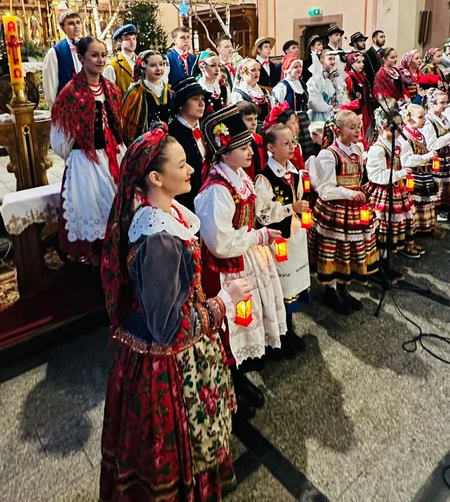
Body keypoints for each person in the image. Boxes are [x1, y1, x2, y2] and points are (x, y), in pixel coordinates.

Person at [100, 126, 250, 501]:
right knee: (178, 452)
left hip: (186, 354)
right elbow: (167, 328)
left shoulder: (170, 217)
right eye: (181, 165)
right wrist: (222, 302)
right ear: (155, 178)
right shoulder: (159, 238)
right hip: (166, 367)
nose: (190, 171)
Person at [195, 106, 287, 411]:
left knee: (247, 318)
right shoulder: (216, 190)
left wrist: (267, 229)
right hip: (225, 268)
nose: (251, 152)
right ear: (224, 153)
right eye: (243, 147)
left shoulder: (239, 177)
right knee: (230, 325)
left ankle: (239, 374)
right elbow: (220, 242)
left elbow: (252, 216)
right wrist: (257, 237)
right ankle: (228, 386)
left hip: (245, 259)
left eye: (249, 146)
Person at [51, 37, 123, 265]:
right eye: (94, 55)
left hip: (114, 155)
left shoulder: (110, 88)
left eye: (103, 54)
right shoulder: (70, 94)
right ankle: (95, 264)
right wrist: (81, 156)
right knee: (94, 212)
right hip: (87, 162)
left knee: (119, 211)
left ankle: (116, 262)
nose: (100, 60)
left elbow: (117, 124)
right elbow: (60, 139)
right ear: (81, 58)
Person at [308, 110, 378, 314]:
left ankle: (343, 288)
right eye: (352, 127)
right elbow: (324, 189)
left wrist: (362, 190)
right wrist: (349, 193)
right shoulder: (328, 154)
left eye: (358, 126)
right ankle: (331, 291)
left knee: (349, 249)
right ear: (338, 130)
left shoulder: (357, 149)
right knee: (334, 249)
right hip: (335, 210)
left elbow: (358, 177)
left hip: (353, 209)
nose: (358, 130)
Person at [255, 124, 311, 357]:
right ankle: (279, 335)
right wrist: (291, 208)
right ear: (270, 147)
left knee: (294, 283)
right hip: (278, 239)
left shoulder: (295, 172)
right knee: (281, 287)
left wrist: (303, 212)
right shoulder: (264, 178)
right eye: (285, 143)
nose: (291, 147)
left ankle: (289, 329)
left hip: (295, 235)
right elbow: (263, 214)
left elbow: (299, 199)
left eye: (293, 142)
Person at [365, 109, 420, 265]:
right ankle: (380, 262)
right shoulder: (378, 149)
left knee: (392, 226)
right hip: (383, 191)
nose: (399, 129)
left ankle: (387, 260)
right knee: (383, 227)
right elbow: (375, 175)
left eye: (400, 125)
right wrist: (400, 173)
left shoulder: (394, 145)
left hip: (396, 189)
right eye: (395, 126)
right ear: (384, 127)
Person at [400, 104, 441, 237]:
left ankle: (426, 227)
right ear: (409, 119)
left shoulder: (419, 134)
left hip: (423, 173)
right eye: (420, 117)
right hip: (414, 176)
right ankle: (412, 233)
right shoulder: (405, 137)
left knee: (425, 202)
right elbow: (406, 160)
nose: (424, 120)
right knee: (414, 204)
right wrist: (427, 156)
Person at [422, 88, 450, 220]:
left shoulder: (443, 118)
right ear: (432, 104)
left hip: (447, 155)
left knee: (446, 184)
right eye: (442, 103)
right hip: (436, 157)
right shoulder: (428, 121)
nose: (445, 105)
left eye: (446, 102)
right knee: (437, 184)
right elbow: (432, 144)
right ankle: (437, 210)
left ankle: (446, 208)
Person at [168, 77, 207, 211]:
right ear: (181, 104)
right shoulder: (172, 134)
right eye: (195, 99)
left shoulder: (207, 129)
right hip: (185, 203)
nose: (201, 103)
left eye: (202, 98)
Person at [121, 50, 171, 144]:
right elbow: (127, 126)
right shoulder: (135, 93)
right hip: (145, 144)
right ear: (143, 68)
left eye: (161, 64)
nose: (158, 68)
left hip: (169, 143)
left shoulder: (170, 91)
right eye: (152, 65)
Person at [272, 54, 313, 159]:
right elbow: (277, 107)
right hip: (290, 121)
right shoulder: (282, 86)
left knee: (307, 149)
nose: (299, 69)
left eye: (300, 66)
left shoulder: (301, 84)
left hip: (304, 119)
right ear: (288, 69)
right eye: (295, 67)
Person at [43, 10, 83, 107]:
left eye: (78, 22)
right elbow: (50, 87)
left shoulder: (90, 47)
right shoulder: (55, 53)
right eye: (71, 23)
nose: (76, 26)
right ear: (62, 27)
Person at [232, 57, 271, 130]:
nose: (257, 73)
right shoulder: (238, 94)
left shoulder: (264, 92)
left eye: (258, 70)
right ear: (242, 73)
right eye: (252, 70)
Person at [263, 103, 304, 170]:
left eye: (297, 123)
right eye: (293, 123)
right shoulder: (275, 151)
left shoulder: (295, 146)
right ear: (282, 124)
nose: (297, 127)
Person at [344, 52, 375, 144]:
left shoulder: (363, 77)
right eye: (358, 62)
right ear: (351, 63)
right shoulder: (348, 77)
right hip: (356, 112)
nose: (362, 64)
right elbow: (350, 97)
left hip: (365, 111)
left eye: (362, 62)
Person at [103, 23, 138, 95]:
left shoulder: (142, 61)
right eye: (127, 39)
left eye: (134, 39)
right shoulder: (113, 67)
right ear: (119, 41)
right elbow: (109, 94)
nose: (132, 42)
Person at [307, 49, 340, 123]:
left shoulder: (328, 79)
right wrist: (328, 107)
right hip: (318, 116)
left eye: (334, 59)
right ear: (322, 61)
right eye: (330, 59)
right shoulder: (314, 80)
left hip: (330, 114)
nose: (333, 61)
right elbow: (313, 101)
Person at [237, 100, 266, 180]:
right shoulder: (236, 144)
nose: (254, 123)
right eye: (249, 119)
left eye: (255, 119)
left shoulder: (259, 139)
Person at [195, 50, 229, 115]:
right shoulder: (198, 89)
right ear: (202, 67)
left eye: (219, 65)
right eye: (213, 65)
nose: (217, 69)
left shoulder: (223, 89)